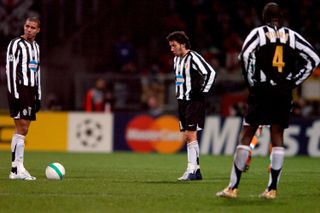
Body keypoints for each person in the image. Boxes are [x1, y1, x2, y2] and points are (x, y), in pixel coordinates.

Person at [216, 2, 320, 199]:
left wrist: (251, 82)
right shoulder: (292, 36)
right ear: (279, 17)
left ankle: (233, 187)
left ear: (263, 17)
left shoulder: (258, 33)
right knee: (277, 136)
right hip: (283, 91)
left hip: (262, 90)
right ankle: (272, 189)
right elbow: (314, 59)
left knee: (247, 134)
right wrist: (293, 81)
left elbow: (245, 56)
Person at [167, 31, 216, 181]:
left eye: (174, 45)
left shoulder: (193, 57)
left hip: (193, 101)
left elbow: (210, 73)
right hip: (182, 102)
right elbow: (179, 80)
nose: (172, 49)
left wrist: (202, 92)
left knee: (190, 134)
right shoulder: (176, 60)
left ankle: (190, 170)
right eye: (170, 46)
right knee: (188, 135)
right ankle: (197, 170)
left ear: (182, 44)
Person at [6, 17, 41, 180]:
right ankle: (17, 168)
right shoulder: (16, 44)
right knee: (22, 127)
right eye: (27, 26)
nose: (29, 29)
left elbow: (37, 72)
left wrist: (38, 95)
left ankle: (16, 169)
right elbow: (11, 69)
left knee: (24, 128)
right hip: (19, 89)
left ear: (38, 30)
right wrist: (15, 93)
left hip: (31, 90)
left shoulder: (36, 47)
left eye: (33, 27)